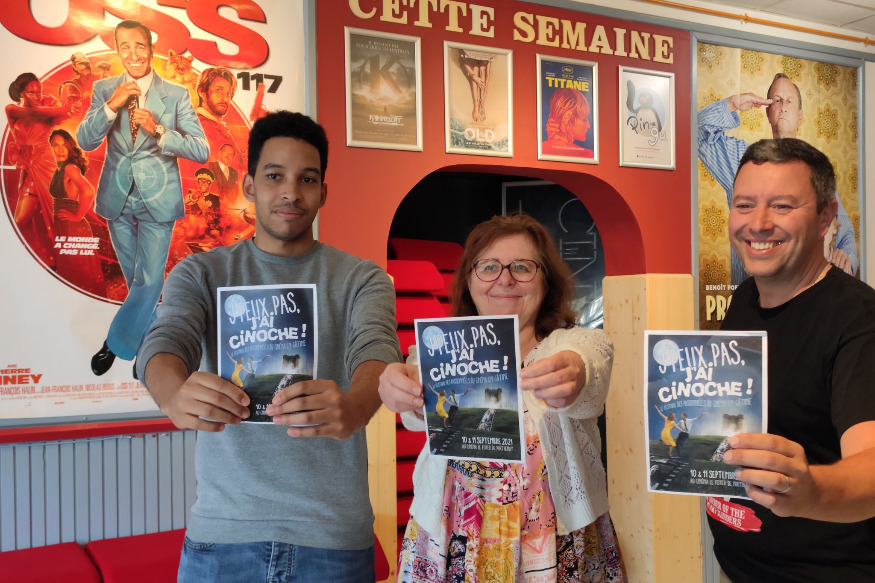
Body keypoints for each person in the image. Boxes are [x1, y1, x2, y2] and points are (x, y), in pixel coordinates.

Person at [136, 110, 401, 582]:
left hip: (332, 538)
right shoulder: (202, 273)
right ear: (249, 185)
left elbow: (376, 350)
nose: (291, 192)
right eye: (275, 175)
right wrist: (172, 393)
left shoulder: (363, 279)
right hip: (222, 535)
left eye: (307, 179)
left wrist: (357, 405)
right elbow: (165, 339)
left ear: (324, 192)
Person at [379, 213, 626, 582]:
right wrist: (399, 387)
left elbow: (589, 367)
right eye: (489, 266)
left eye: (522, 267)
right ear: (468, 280)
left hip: (553, 539)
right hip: (452, 535)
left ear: (546, 281)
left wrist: (573, 373)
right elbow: (415, 409)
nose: (505, 279)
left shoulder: (576, 342)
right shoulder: (441, 349)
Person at [709, 138, 875, 582]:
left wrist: (809, 491)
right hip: (739, 567)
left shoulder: (858, 319)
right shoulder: (745, 299)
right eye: (744, 205)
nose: (758, 223)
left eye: (782, 206)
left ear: (826, 217)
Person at [77, 19, 208, 376]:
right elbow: (85, 140)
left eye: (139, 46)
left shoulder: (176, 94)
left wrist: (159, 130)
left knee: (149, 281)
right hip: (116, 197)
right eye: (125, 47)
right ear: (118, 51)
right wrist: (110, 107)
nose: (133, 54)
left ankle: (116, 343)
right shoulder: (105, 89)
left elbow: (201, 150)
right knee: (138, 281)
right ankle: (148, 348)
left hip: (158, 199)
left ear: (150, 49)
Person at [698, 73, 858, 283]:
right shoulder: (741, 161)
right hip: (754, 295)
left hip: (807, 296)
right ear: (767, 112)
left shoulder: (817, 170)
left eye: (789, 101)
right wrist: (732, 104)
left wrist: (847, 257)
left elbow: (845, 231)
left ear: (800, 115)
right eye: (777, 100)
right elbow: (697, 135)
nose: (783, 107)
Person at [6, 72, 73, 242]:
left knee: (52, 219)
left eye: (39, 92)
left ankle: (56, 252)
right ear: (21, 93)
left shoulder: (48, 110)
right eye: (31, 93)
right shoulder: (12, 109)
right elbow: (33, 113)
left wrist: (69, 108)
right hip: (29, 168)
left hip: (46, 166)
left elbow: (63, 117)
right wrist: (64, 109)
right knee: (27, 223)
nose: (36, 97)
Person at [48, 129, 106, 297]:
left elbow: (88, 191)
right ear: (51, 147)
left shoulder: (70, 168)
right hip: (64, 225)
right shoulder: (60, 169)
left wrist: (78, 216)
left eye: (64, 145)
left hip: (72, 227)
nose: (60, 150)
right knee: (71, 274)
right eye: (56, 145)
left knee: (77, 274)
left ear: (70, 147)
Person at [196, 67, 247, 173]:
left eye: (229, 94)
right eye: (219, 90)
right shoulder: (204, 125)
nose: (225, 98)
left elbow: (240, 163)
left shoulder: (215, 125)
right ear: (202, 92)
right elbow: (237, 167)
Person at [541, 87, 593, 158]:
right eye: (584, 120)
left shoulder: (540, 148)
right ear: (568, 119)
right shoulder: (588, 154)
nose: (588, 125)